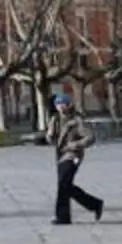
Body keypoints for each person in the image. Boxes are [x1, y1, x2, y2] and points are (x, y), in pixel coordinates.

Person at [46, 94, 103, 225]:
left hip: (73, 155)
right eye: (58, 104)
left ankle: (62, 217)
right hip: (60, 155)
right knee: (65, 185)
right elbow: (52, 138)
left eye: (63, 104)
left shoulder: (77, 120)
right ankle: (94, 204)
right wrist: (49, 136)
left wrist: (76, 144)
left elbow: (90, 137)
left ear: (69, 105)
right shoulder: (55, 119)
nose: (60, 107)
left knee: (63, 184)